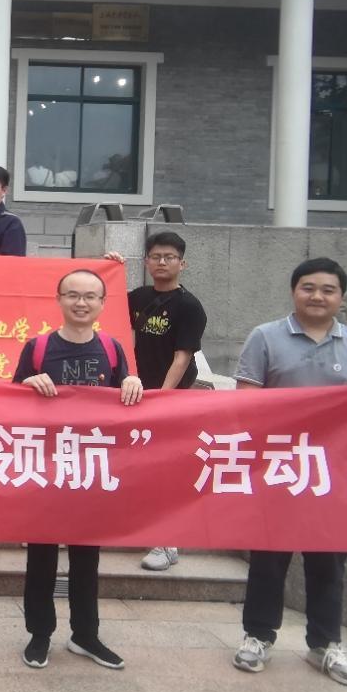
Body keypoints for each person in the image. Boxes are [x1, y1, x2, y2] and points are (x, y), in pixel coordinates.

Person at [231, 257, 347, 687]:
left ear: (341, 297)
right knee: (269, 557)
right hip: (278, 466)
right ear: (293, 291)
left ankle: (325, 644)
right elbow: (245, 401)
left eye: (327, 289)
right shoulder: (265, 337)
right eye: (308, 287)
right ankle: (258, 637)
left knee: (329, 561)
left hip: (333, 472)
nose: (317, 296)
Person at [12, 268, 143, 672]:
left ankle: (86, 634)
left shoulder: (112, 349)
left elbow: (127, 400)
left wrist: (133, 384)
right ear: (59, 300)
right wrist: (28, 384)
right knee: (42, 557)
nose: (81, 303)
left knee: (87, 558)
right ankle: (39, 634)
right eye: (72, 295)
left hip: (91, 468)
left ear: (102, 304)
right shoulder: (37, 347)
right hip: (47, 468)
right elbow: (9, 402)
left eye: (90, 296)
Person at [106, 231, 208, 572]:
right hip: (134, 392)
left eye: (169, 257)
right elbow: (103, 304)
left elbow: (183, 357)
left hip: (168, 397)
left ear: (182, 263)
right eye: (156, 257)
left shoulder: (189, 306)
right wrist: (109, 268)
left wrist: (162, 398)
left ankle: (167, 543)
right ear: (147, 262)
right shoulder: (139, 296)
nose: (162, 262)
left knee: (162, 468)